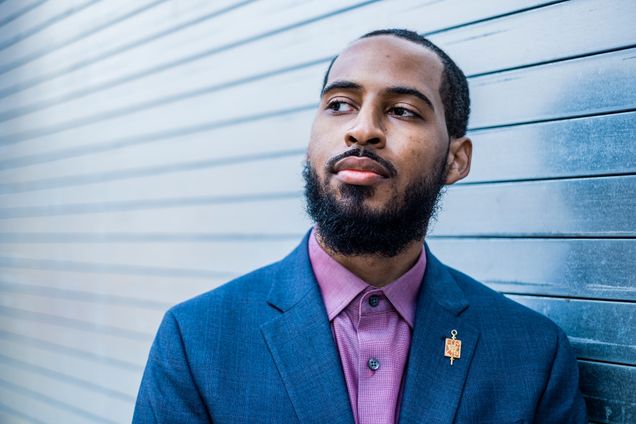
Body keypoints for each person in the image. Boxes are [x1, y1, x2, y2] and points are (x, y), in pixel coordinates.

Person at [133, 29, 587, 423]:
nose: (362, 129)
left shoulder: (531, 353)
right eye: (340, 104)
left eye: (403, 110)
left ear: (455, 159)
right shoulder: (197, 339)